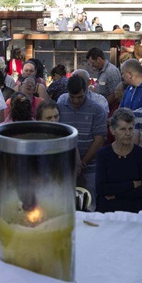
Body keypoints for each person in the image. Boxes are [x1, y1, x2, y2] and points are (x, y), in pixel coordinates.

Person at [57, 76, 107, 209]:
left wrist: (82, 163)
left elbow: (99, 140)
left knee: (89, 206)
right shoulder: (60, 107)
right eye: (72, 97)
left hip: (90, 169)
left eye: (79, 97)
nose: (76, 100)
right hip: (65, 169)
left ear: (86, 92)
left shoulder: (97, 109)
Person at [95, 108, 142, 213]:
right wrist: (132, 184)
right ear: (112, 131)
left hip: (135, 211)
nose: (128, 133)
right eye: (123, 129)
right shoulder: (103, 154)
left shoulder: (141, 155)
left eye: (130, 129)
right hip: (108, 211)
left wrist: (116, 194)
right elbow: (101, 189)